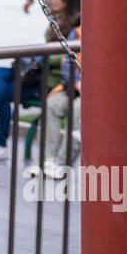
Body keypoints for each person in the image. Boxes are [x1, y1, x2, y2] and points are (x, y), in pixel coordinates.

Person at [0, 0, 80, 161]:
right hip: (38, 74)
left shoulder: (76, 26)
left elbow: (65, 56)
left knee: (1, 90)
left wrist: (37, 56)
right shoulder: (57, 20)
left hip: (49, 81)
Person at [43, 22, 81, 176]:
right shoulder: (77, 32)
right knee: (52, 104)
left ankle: (63, 163)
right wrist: (77, 83)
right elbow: (66, 62)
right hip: (72, 87)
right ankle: (48, 160)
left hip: (95, 94)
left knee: (79, 110)